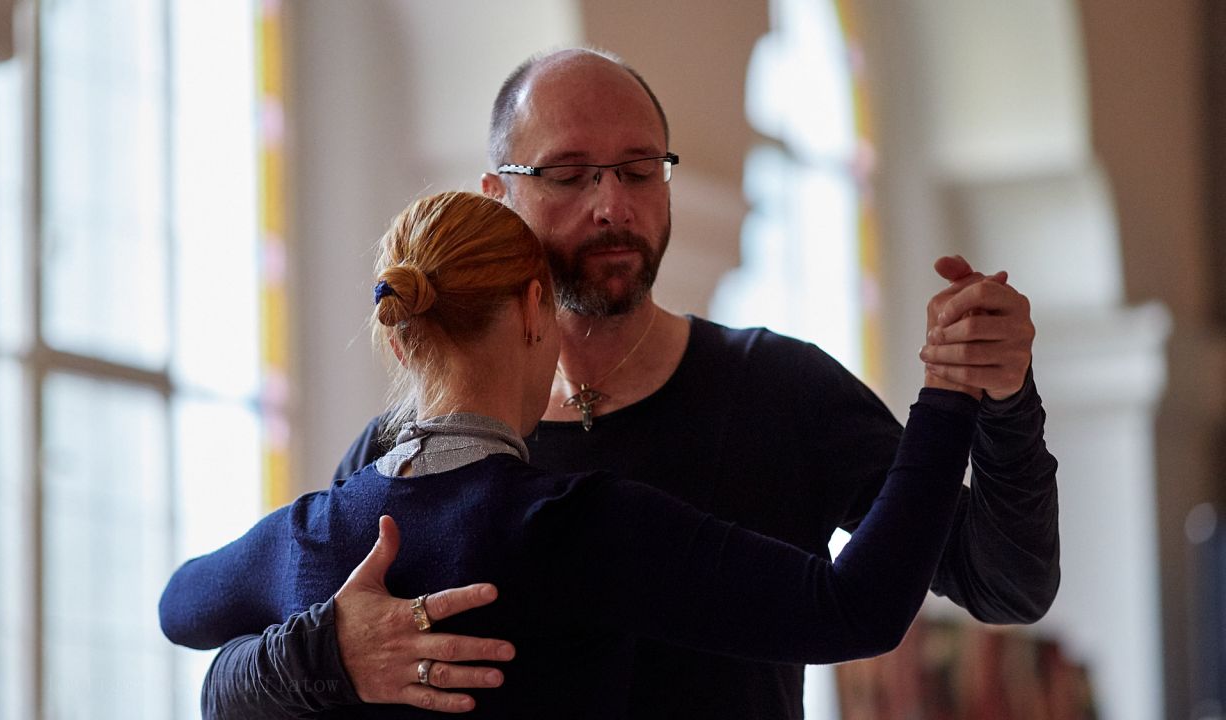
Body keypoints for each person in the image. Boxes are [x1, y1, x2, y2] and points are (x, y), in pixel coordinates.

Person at [193, 48, 1058, 719]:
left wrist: (1003, 402)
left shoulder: (780, 388)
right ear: (497, 196)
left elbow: (1005, 583)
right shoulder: (404, 457)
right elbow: (225, 681)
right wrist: (323, 653)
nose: (613, 204)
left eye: (641, 169)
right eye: (570, 174)